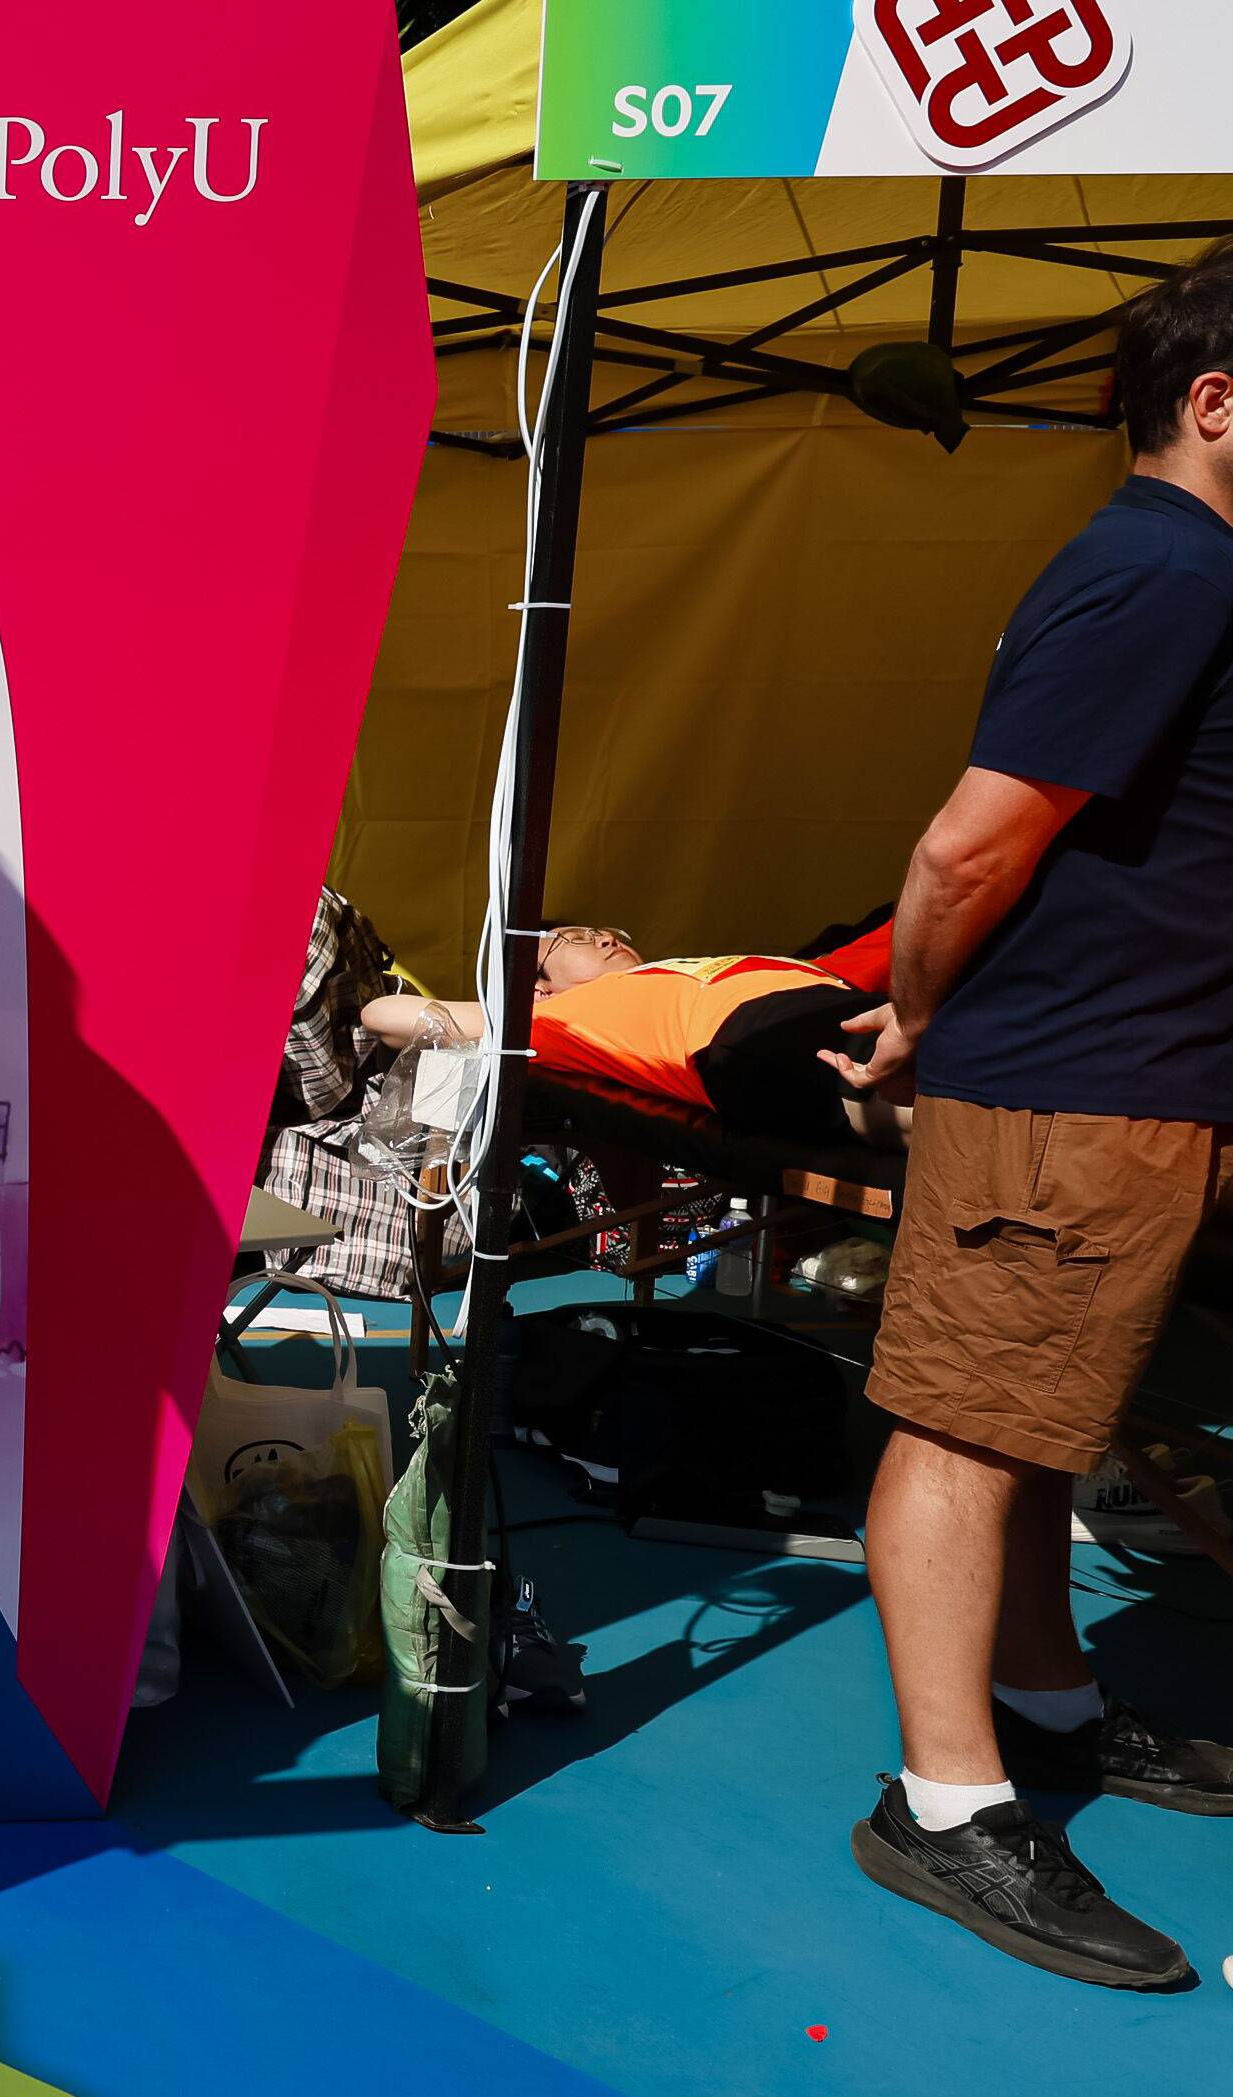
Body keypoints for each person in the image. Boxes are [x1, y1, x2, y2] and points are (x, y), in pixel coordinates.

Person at [824, 245, 1233, 1990]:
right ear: (1215, 402)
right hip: (1073, 1084)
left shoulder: (1171, 567)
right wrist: (919, 1014)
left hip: (1119, 1080)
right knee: (967, 1427)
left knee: (1035, 1417)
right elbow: (965, 847)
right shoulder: (1163, 568)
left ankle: (1045, 1707)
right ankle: (945, 1804)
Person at [359, 927, 907, 1145]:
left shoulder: (739, 963)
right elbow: (383, 1015)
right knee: (917, 1100)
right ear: (539, 988)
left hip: (850, 1007)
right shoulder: (564, 1017)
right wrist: (512, 1009)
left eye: (602, 931)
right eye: (572, 939)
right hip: (745, 1042)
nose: (601, 937)